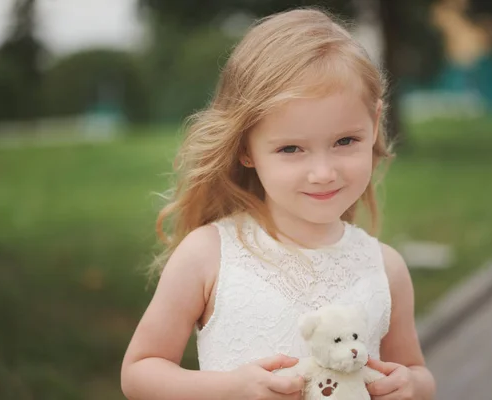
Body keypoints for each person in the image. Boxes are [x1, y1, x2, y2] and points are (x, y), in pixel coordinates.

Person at [121, 7, 435, 400]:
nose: (322, 172)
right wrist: (229, 389)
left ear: (374, 124)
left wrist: (412, 386)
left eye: (344, 141)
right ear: (245, 148)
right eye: (291, 148)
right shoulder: (208, 256)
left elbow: (417, 371)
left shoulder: (385, 268)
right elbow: (139, 372)